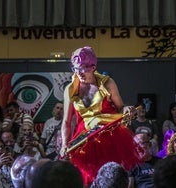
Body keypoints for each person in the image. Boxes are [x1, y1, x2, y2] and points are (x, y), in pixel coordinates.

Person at [60, 46, 141, 185]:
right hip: (84, 139)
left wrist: (128, 109)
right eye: (76, 68)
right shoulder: (70, 89)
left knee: (109, 180)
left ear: (93, 67)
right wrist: (63, 144)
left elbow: (121, 108)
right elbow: (67, 122)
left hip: (108, 136)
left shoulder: (107, 83)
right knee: (86, 180)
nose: (79, 73)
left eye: (83, 68)